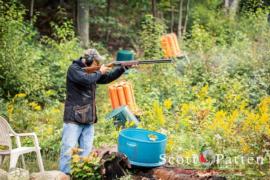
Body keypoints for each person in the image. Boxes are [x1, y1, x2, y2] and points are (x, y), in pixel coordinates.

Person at [59, 49, 128, 174]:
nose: (97, 66)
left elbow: (106, 78)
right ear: (88, 60)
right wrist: (100, 71)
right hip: (73, 117)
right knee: (68, 150)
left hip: (88, 117)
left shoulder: (92, 73)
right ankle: (64, 175)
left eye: (98, 65)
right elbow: (86, 79)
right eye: (95, 63)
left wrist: (123, 69)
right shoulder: (74, 69)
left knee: (86, 151)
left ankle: (81, 175)